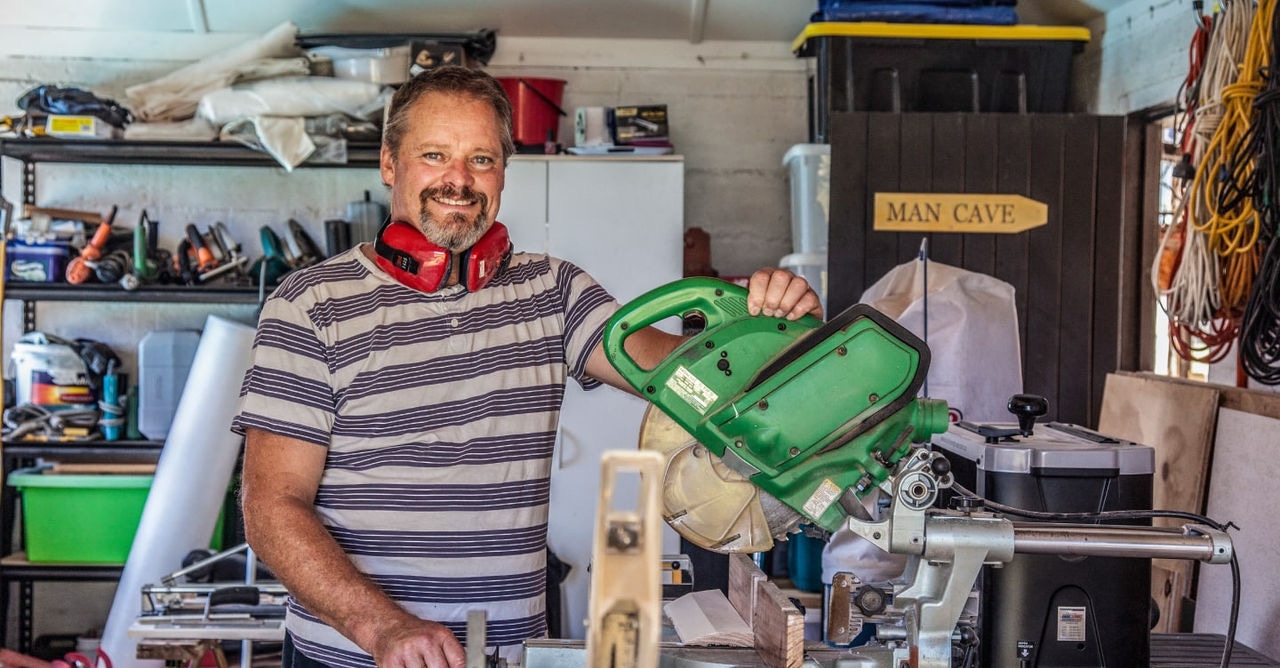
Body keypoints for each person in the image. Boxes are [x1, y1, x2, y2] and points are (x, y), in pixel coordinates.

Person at [233, 65, 822, 668]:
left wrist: (779, 331)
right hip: (352, 656)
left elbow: (688, 378)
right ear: (389, 163)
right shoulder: (310, 304)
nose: (459, 180)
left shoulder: (551, 290)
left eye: (481, 159)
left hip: (510, 655)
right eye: (434, 155)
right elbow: (271, 509)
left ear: (502, 173)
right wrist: (384, 628)